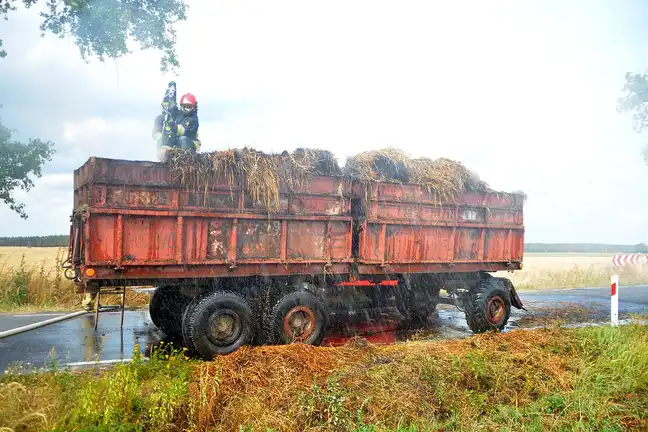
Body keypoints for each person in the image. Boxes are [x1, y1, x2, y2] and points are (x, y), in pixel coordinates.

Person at [153, 82, 201, 161]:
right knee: (166, 137)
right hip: (179, 143)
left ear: (194, 107)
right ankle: (164, 158)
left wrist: (171, 124)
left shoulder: (193, 119)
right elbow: (172, 107)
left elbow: (182, 130)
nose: (185, 109)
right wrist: (171, 94)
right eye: (184, 106)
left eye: (188, 106)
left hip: (190, 144)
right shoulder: (179, 114)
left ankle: (183, 160)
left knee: (182, 139)